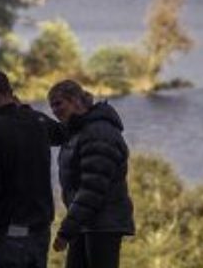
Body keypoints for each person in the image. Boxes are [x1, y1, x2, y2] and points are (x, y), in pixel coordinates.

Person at [0, 72, 62, 268]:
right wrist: (25, 110)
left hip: (8, 234)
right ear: (11, 94)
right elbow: (64, 134)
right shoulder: (38, 122)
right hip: (40, 230)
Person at [47, 80, 135, 268]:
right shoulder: (77, 130)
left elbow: (92, 189)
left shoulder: (98, 132)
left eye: (58, 103)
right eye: (51, 106)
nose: (54, 110)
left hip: (103, 225)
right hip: (85, 224)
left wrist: (65, 231)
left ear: (76, 101)